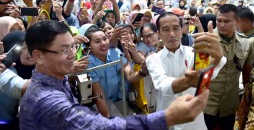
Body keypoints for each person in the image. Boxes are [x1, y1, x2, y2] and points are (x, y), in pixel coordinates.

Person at [19, 20, 210, 129]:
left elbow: (210, 69)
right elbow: (163, 84)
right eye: (63, 50)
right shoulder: (48, 100)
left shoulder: (190, 51)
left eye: (72, 47)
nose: (71, 56)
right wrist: (168, 116)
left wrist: (213, 56)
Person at [146, 12, 227, 129]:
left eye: (176, 28)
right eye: (166, 29)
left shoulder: (195, 52)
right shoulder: (153, 59)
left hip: (194, 123)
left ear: (181, 29)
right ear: (158, 33)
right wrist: (189, 81)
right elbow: (164, 86)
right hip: (167, 121)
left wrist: (217, 57)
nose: (172, 34)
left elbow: (208, 74)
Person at [204, 4, 254, 130]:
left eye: (226, 21)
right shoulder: (205, 40)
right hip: (206, 103)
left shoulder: (246, 44)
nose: (221, 24)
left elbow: (247, 73)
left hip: (230, 105)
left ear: (237, 22)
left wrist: (247, 99)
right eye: (219, 20)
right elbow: (197, 74)